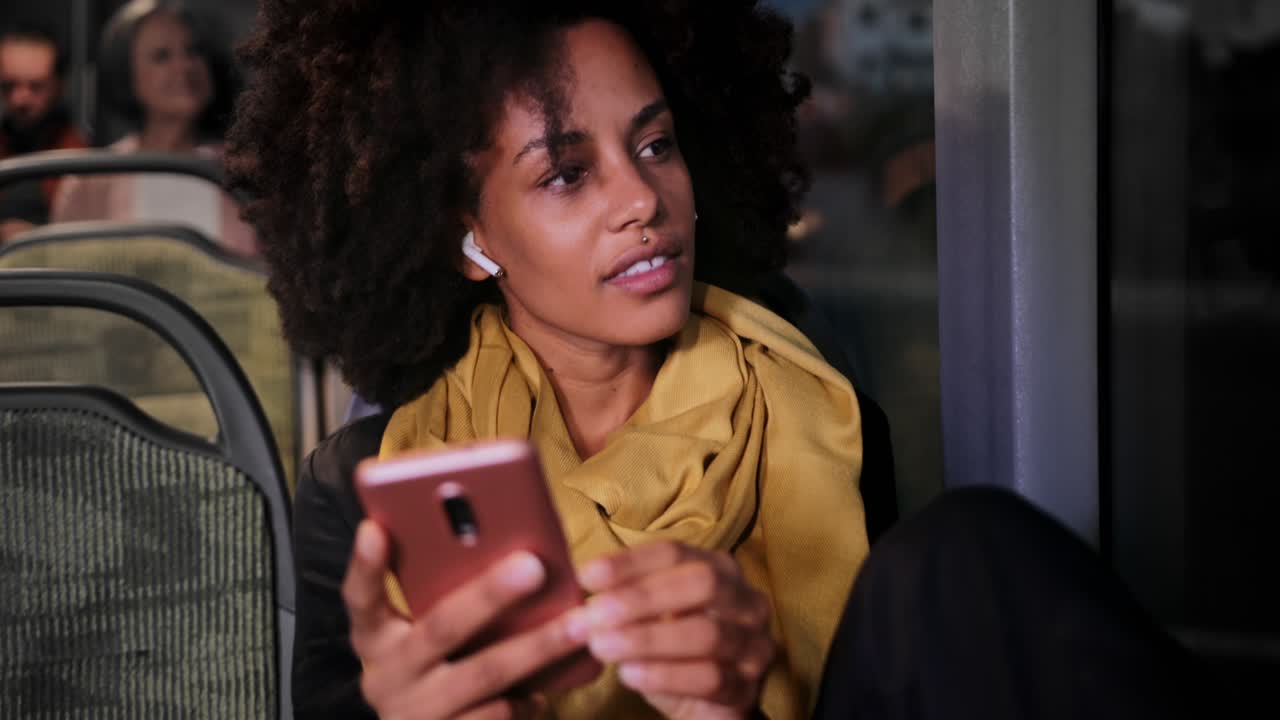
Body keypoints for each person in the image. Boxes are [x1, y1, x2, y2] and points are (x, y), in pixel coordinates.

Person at [227, 3, 1203, 719]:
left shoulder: (820, 417)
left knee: (969, 552)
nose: (642, 198)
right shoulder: (366, 495)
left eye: (654, 145)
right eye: (567, 173)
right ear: (468, 238)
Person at [52, 0, 257, 258]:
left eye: (194, 51)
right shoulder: (90, 182)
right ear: (127, 73)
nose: (185, 67)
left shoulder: (247, 171)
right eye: (162, 56)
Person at [0, 23, 89, 243]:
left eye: (36, 86)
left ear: (59, 86)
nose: (20, 99)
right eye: (9, 86)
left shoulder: (80, 159)